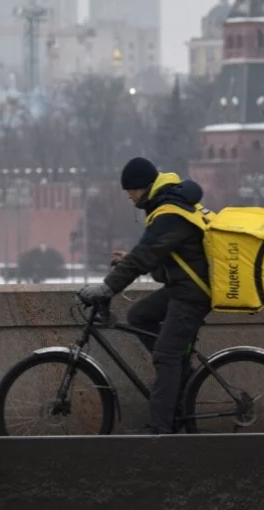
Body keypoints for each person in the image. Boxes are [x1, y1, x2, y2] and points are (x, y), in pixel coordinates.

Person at [77, 157, 211, 435]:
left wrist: (107, 288)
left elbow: (144, 256)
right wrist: (129, 259)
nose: (129, 197)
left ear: (143, 186)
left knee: (165, 354)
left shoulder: (169, 212)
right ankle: (179, 373)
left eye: (130, 191)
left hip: (193, 293)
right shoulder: (167, 205)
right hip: (183, 286)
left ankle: (160, 427)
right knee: (139, 316)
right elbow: (163, 253)